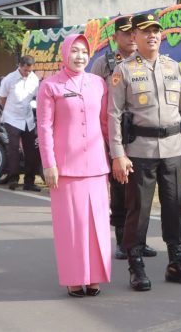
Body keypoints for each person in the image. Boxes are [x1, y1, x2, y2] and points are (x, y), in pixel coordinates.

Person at [109, 13, 181, 292]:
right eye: (145, 31)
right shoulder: (122, 70)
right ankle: (136, 265)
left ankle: (177, 262)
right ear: (134, 37)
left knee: (175, 206)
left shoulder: (173, 67)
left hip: (173, 149)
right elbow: (112, 115)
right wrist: (118, 155)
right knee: (139, 210)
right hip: (140, 151)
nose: (152, 35)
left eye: (156, 31)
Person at [37, 34, 112, 297]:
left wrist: (116, 155)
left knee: (97, 224)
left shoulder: (98, 83)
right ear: (65, 53)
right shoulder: (50, 86)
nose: (79, 56)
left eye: (84, 51)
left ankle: (94, 277)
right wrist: (49, 164)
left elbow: (105, 124)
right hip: (65, 169)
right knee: (71, 226)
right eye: (75, 51)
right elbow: (44, 127)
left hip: (96, 167)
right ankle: (73, 277)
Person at [90, 15, 157, 260]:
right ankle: (122, 240)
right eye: (126, 33)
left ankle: (139, 240)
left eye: (134, 33)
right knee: (120, 190)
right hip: (115, 135)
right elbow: (94, 102)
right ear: (115, 37)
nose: (131, 38)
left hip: (141, 136)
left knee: (141, 192)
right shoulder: (104, 64)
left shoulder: (145, 61)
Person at [0, 55, 41, 191]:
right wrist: (10, 111)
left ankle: (29, 182)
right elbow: (2, 98)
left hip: (28, 119)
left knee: (31, 150)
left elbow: (36, 97)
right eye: (25, 70)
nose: (27, 73)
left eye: (29, 70)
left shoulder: (34, 79)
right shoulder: (9, 79)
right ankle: (13, 179)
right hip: (12, 118)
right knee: (14, 149)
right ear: (20, 66)